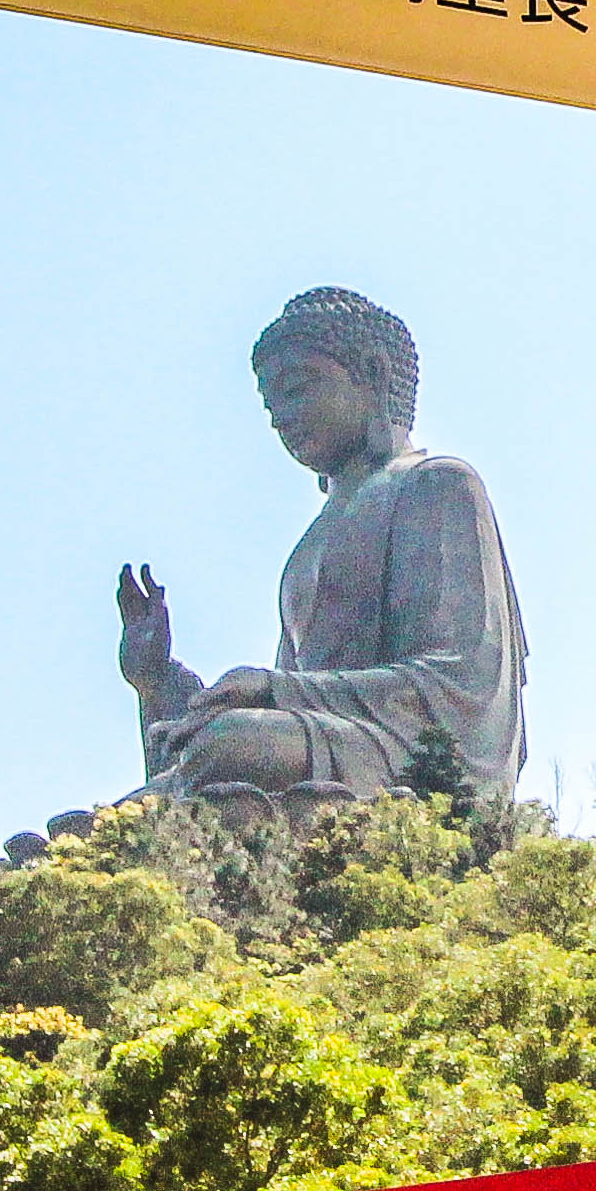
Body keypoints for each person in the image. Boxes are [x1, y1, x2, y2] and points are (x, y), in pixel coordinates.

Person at [117, 289, 525, 816]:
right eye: (270, 406)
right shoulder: (311, 543)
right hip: (329, 740)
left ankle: (147, 814)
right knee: (210, 744)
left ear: (373, 374)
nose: (280, 419)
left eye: (297, 390)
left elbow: (461, 685)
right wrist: (157, 681)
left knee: (234, 741)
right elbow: (285, 704)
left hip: (413, 756)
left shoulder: (437, 485)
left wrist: (274, 691)